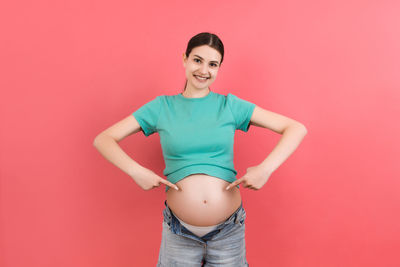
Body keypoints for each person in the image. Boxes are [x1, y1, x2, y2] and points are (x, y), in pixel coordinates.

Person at [93, 32, 307, 266]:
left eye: (212, 64)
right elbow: (104, 139)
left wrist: (266, 169)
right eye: (197, 60)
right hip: (179, 233)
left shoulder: (229, 106)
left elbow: (295, 128)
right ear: (184, 58)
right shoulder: (161, 107)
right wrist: (136, 171)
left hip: (228, 231)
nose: (204, 70)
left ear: (219, 68)